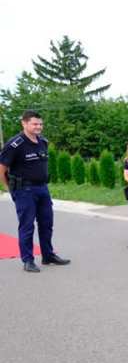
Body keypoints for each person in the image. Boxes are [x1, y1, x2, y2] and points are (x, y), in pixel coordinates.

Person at [0, 110, 70, 272]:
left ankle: (48, 255)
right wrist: (8, 188)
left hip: (42, 188)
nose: (39, 127)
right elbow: (2, 168)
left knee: (46, 223)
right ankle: (28, 260)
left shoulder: (42, 141)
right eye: (35, 124)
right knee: (27, 226)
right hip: (24, 190)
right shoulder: (15, 144)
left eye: (40, 124)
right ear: (24, 123)